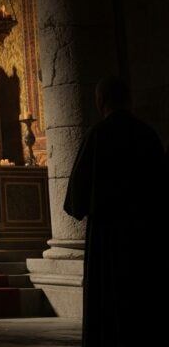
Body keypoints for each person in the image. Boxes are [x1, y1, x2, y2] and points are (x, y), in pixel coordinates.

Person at [64, 76, 162, 346]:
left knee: (108, 305)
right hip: (145, 235)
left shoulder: (97, 135)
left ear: (100, 101)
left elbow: (75, 200)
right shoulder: (147, 134)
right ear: (129, 100)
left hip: (107, 238)